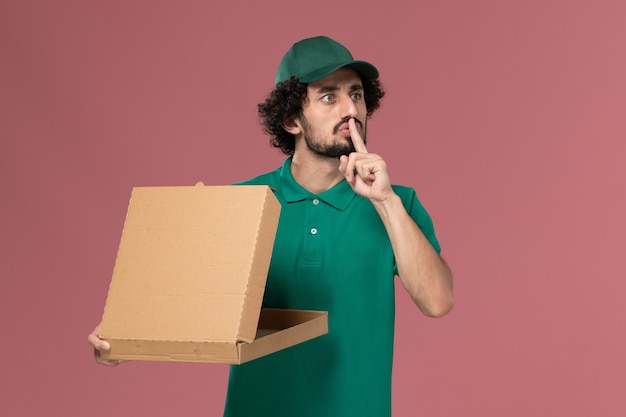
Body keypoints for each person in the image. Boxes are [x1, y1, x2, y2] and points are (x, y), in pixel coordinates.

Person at [88, 35, 454, 416]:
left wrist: (386, 202)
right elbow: (173, 307)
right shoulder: (239, 204)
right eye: (329, 97)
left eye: (356, 95)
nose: (350, 109)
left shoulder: (398, 203)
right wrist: (118, 339)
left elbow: (438, 302)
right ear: (291, 119)